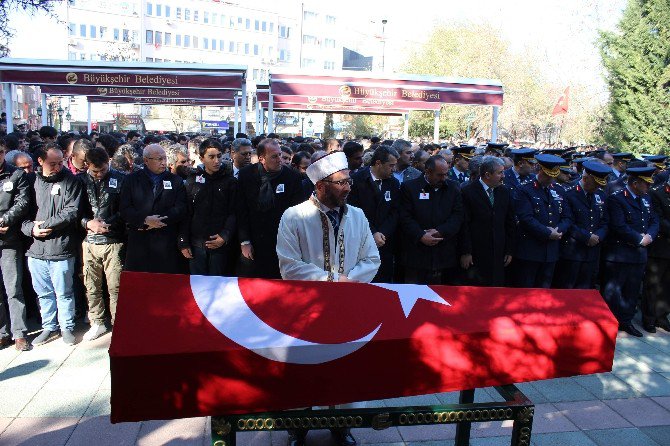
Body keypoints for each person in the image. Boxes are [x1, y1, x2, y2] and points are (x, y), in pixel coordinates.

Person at [276, 151, 380, 446]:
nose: (348, 187)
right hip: (305, 310)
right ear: (320, 184)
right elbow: (289, 265)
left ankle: (342, 425)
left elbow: (372, 258)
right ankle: (298, 428)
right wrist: (332, 281)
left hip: (347, 307)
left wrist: (348, 283)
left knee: (344, 368)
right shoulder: (294, 216)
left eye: (348, 181)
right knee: (304, 368)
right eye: (340, 182)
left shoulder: (358, 215)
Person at [22, 143, 83, 346]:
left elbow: (71, 212)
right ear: (40, 161)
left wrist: (45, 225)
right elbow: (22, 212)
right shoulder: (31, 181)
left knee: (64, 291)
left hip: (62, 247)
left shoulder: (71, 181)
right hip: (36, 248)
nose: (58, 167)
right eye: (53, 163)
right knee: (43, 292)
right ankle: (49, 326)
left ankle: (67, 326)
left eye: (60, 162)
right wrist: (31, 229)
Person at [602, 166, 659, 337]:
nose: (648, 187)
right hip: (620, 253)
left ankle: (626, 321)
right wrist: (639, 238)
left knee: (632, 290)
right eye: (645, 184)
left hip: (639, 254)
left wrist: (649, 235)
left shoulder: (646, 198)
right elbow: (618, 226)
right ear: (635, 183)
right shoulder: (617, 199)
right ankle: (609, 321)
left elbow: (654, 220)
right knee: (614, 291)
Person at [237, 138, 303, 279]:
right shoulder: (246, 175)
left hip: (282, 242)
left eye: (280, 155)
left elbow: (297, 214)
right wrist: (245, 241)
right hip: (254, 240)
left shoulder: (292, 178)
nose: (279, 159)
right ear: (262, 158)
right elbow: (241, 210)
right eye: (274, 156)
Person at [79, 147, 126, 340]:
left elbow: (125, 209)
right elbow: (75, 210)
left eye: (103, 170)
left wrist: (110, 223)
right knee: (92, 284)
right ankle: (97, 321)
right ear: (87, 166)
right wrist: (87, 223)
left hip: (113, 240)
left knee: (115, 286)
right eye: (95, 171)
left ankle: (119, 322)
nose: (99, 174)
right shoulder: (80, 181)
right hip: (89, 240)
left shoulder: (121, 179)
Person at [120, 144, 187, 274]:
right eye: (159, 159)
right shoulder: (131, 180)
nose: (163, 163)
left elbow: (181, 208)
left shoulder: (176, 181)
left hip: (166, 241)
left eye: (164, 159)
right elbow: (125, 208)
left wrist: (158, 221)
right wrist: (144, 220)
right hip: (139, 242)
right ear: (146, 160)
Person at [398, 155, 463, 285]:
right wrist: (421, 235)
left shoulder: (453, 187)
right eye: (439, 175)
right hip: (416, 254)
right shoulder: (410, 188)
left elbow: (458, 216)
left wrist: (440, 231)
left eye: (446, 174)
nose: (443, 178)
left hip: (445, 253)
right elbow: (404, 217)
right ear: (427, 172)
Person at [512, 154, 573, 288]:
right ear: (539, 170)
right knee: (526, 289)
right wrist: (546, 232)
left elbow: (567, 217)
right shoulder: (524, 189)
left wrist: (558, 230)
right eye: (547, 175)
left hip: (551, 251)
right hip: (530, 251)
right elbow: (526, 218)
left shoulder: (558, 190)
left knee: (544, 291)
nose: (551, 179)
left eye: (553, 176)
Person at [179, 139, 237, 275]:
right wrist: (183, 241)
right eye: (211, 157)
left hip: (220, 244)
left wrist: (225, 235)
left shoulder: (230, 182)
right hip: (197, 244)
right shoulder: (192, 180)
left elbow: (234, 211)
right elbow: (186, 213)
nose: (216, 161)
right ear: (201, 158)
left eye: (219, 156)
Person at [553, 161, 610, 289]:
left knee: (586, 291)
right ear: (585, 178)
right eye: (595, 183)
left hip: (592, 253)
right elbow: (567, 221)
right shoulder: (569, 194)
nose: (597, 187)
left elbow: (605, 221)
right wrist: (586, 237)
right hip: (572, 252)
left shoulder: (600, 195)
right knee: (567, 290)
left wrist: (598, 236)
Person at [459, 156, 515, 286]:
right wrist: (466, 252)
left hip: (498, 253)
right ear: (487, 175)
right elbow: (464, 225)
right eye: (500, 173)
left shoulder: (504, 191)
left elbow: (509, 222)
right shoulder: (468, 192)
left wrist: (509, 250)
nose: (503, 176)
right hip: (476, 254)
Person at [347, 146, 400, 282]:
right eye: (391, 165)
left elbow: (395, 211)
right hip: (361, 242)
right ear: (378, 163)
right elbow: (354, 210)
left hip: (385, 243)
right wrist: (372, 233)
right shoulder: (356, 181)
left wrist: (383, 232)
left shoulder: (393, 183)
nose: (393, 169)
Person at [0, 137, 31, 351]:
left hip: (9, 238)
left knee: (14, 286)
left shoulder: (15, 174)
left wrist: (5, 220)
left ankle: (19, 332)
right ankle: (2, 331)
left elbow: (23, 201)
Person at [642, 176, 670, 332]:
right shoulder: (657, 193)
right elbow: (658, 220)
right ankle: (649, 318)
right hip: (660, 247)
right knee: (653, 284)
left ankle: (662, 316)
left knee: (667, 285)